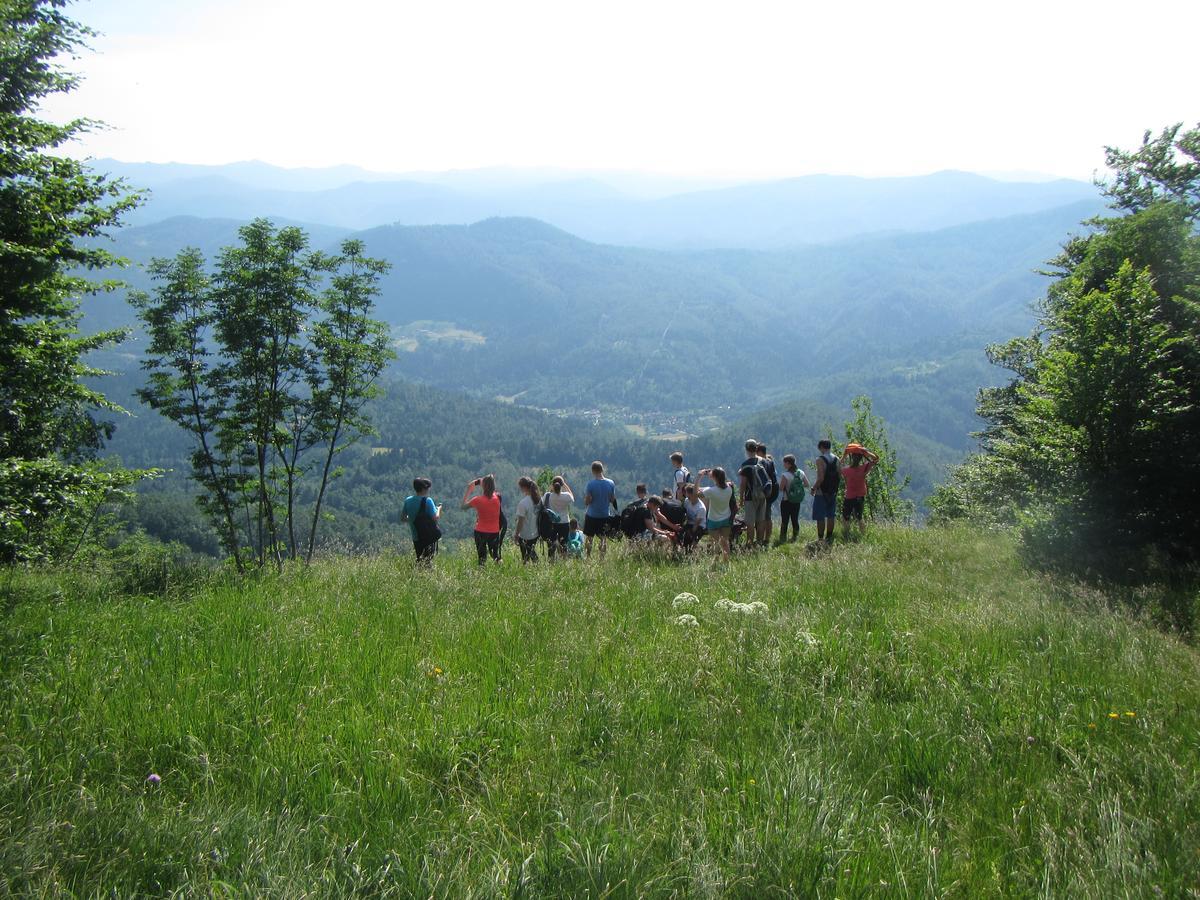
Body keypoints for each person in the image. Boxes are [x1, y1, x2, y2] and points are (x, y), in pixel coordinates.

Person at [840, 444, 880, 539]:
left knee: (846, 517)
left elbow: (837, 466)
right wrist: (866, 452)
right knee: (859, 517)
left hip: (849, 496)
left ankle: (846, 535)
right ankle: (863, 536)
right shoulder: (864, 468)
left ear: (851, 458)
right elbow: (876, 459)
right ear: (861, 458)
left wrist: (844, 455)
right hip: (860, 495)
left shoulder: (847, 470)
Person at [462, 474, 503, 565]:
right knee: (496, 556)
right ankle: (502, 571)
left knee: (482, 558)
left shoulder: (477, 500)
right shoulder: (497, 498)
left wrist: (469, 489)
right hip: (494, 531)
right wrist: (484, 482)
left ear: (483, 486)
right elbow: (490, 488)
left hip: (480, 531)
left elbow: (463, 507)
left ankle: (481, 574)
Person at [400, 477, 441, 565]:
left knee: (419, 558)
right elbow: (435, 518)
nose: (428, 490)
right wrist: (439, 509)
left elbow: (403, 518)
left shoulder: (408, 500)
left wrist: (412, 519)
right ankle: (424, 575)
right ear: (423, 488)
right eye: (427, 487)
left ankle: (418, 574)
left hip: (416, 535)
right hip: (428, 536)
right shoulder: (428, 501)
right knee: (428, 561)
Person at [697, 466, 734, 562]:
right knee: (725, 542)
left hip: (713, 520)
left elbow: (696, 493)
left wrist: (699, 476)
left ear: (715, 477)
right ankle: (726, 562)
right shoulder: (729, 488)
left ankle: (716, 560)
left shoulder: (711, 491)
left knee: (716, 542)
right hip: (726, 518)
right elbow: (722, 484)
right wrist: (711, 474)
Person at [739, 439, 771, 547]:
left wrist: (741, 498)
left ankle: (749, 543)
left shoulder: (745, 465)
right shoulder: (764, 461)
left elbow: (743, 484)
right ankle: (760, 542)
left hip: (750, 496)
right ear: (756, 448)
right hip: (763, 494)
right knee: (761, 520)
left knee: (750, 522)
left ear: (747, 450)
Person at [583, 460, 618, 558]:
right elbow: (612, 499)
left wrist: (586, 500)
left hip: (592, 514)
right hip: (604, 514)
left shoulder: (590, 484)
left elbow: (588, 501)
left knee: (589, 537)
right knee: (603, 538)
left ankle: (588, 556)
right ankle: (602, 557)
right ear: (602, 469)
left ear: (592, 471)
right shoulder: (611, 483)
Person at [812, 440, 840, 544]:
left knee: (820, 516)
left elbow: (821, 478)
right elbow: (839, 474)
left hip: (821, 491)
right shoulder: (837, 459)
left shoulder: (820, 460)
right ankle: (829, 537)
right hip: (833, 491)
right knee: (831, 515)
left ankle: (820, 538)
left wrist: (814, 488)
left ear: (822, 447)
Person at [544, 475, 574, 559]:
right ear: (561, 485)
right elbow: (572, 497)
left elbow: (543, 503)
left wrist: (550, 487)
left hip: (552, 523)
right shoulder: (566, 496)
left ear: (553, 485)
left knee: (551, 543)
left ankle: (551, 560)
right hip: (564, 522)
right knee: (564, 543)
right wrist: (565, 485)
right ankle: (564, 559)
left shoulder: (548, 495)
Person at [513, 476, 542, 563]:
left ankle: (528, 569)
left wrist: (516, 534)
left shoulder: (523, 503)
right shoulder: (538, 500)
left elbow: (520, 522)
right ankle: (537, 568)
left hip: (525, 534)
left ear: (524, 487)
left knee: (525, 556)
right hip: (536, 533)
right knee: (531, 552)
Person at [756, 442, 779, 545]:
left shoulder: (762, 462)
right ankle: (767, 538)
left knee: (765, 516)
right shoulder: (770, 461)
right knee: (767, 515)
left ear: (759, 452)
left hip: (766, 491)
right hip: (773, 489)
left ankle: (764, 539)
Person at [680, 482, 708, 551]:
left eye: (688, 496)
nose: (687, 497)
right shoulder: (687, 501)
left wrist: (690, 534)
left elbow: (696, 524)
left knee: (692, 538)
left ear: (694, 494)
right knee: (681, 533)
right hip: (689, 523)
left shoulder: (701, 508)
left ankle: (692, 549)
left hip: (699, 526)